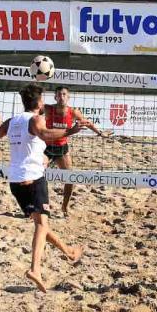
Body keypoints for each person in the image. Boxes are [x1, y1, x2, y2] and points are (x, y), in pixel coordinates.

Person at [0, 84, 85, 293]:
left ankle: (68, 251)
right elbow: (45, 133)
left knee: (40, 223)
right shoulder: (35, 119)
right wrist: (70, 131)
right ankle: (35, 269)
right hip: (34, 178)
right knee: (41, 224)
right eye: (42, 99)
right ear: (38, 103)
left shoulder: (11, 122)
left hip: (15, 182)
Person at [43, 86, 112, 216]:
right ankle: (40, 206)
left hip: (61, 148)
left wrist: (100, 133)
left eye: (64, 94)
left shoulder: (73, 112)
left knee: (70, 178)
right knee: (38, 176)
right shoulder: (48, 109)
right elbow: (32, 111)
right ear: (55, 97)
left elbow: (87, 123)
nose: (61, 97)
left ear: (68, 97)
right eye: (59, 94)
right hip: (45, 147)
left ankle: (64, 207)